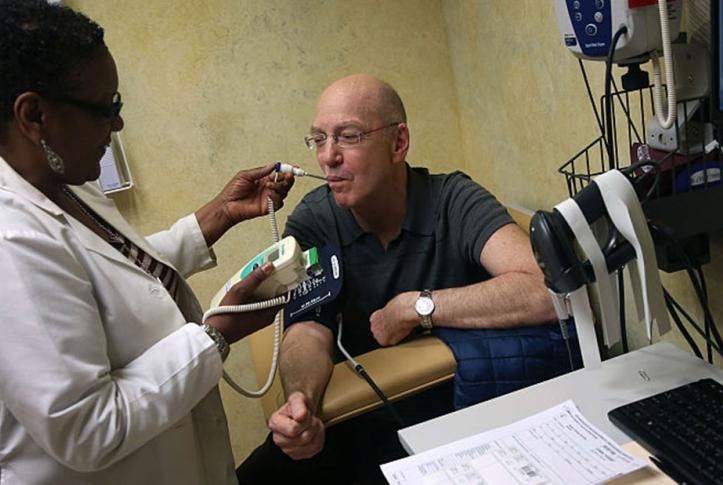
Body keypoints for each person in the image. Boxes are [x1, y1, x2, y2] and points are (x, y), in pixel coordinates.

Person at [0, 2, 294, 484]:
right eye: (106, 108)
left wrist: (217, 216)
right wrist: (217, 333)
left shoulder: (65, 182)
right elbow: (87, 428)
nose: (117, 126)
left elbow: (116, 278)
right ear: (35, 116)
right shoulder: (10, 242)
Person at [237, 74, 581, 484]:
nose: (328, 157)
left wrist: (418, 307)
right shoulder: (315, 220)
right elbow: (309, 331)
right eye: (318, 139)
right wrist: (300, 400)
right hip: (357, 416)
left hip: (456, 411)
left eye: (347, 137)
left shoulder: (453, 199)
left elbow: (544, 290)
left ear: (398, 143)